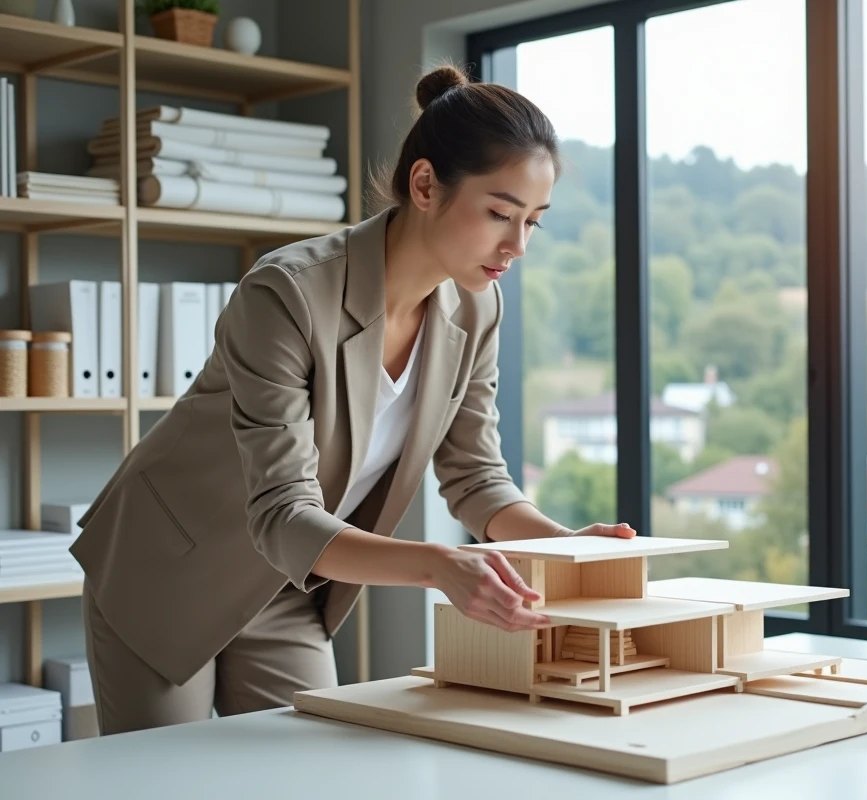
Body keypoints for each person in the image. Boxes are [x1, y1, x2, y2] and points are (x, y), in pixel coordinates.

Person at [67, 64, 636, 736]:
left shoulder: (476, 309)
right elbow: (282, 512)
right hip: (168, 570)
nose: (516, 246)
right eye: (499, 214)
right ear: (425, 185)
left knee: (315, 773)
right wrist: (440, 567)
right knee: (163, 781)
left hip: (283, 588)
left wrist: (567, 547)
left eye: (533, 222)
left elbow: (476, 478)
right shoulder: (287, 294)